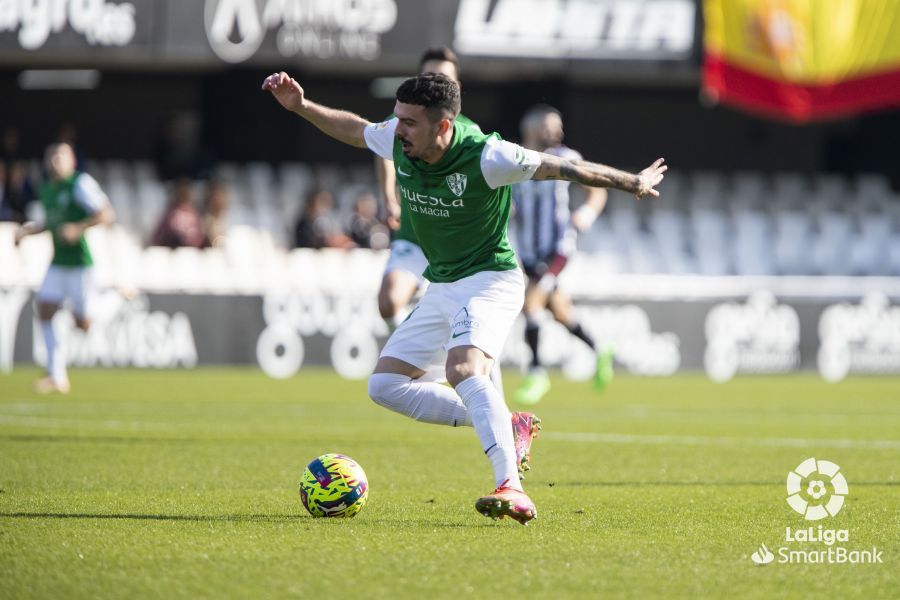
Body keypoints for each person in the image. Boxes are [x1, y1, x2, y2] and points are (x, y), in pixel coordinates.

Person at [262, 71, 665, 524]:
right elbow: (355, 130)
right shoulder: (396, 139)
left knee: (462, 370)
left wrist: (631, 182)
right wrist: (300, 106)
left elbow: (565, 169)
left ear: (443, 127)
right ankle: (505, 423)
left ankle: (511, 486)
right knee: (384, 386)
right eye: (397, 119)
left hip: (491, 279)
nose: (398, 130)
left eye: (410, 122)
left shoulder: (489, 155)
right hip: (444, 284)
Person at [511, 104, 613, 405]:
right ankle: (600, 348)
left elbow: (597, 188)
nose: (558, 131)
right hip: (528, 252)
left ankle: (536, 373)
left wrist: (587, 214)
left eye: (559, 125)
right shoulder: (515, 159)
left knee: (530, 305)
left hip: (557, 248)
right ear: (530, 129)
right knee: (559, 312)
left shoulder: (567, 158)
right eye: (549, 126)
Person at [15, 142, 115, 394]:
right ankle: (56, 375)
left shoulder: (80, 184)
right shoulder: (48, 189)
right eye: (51, 158)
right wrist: (30, 231)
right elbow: (53, 222)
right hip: (58, 262)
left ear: (72, 161)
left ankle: (114, 297)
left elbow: (106, 214)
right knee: (45, 307)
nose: (54, 162)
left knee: (83, 324)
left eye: (60, 157)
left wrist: (77, 228)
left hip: (80, 263)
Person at [151, 178, 205, 248]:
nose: (183, 197)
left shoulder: (194, 213)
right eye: (181, 194)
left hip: (192, 251)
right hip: (173, 250)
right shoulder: (169, 214)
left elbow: (199, 235)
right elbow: (158, 236)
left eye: (185, 194)